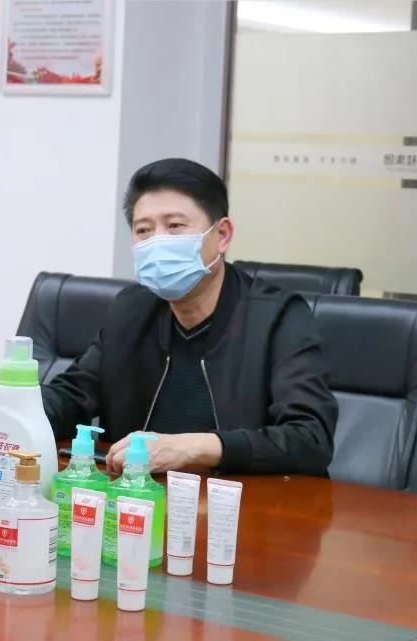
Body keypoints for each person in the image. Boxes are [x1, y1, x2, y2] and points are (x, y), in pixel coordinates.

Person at [42, 158, 337, 475]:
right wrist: (15, 408)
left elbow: (310, 438)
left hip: (240, 498)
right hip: (139, 496)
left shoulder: (278, 318)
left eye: (175, 226)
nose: (158, 242)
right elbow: (72, 396)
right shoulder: (131, 310)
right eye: (144, 230)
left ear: (222, 235)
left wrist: (192, 447)